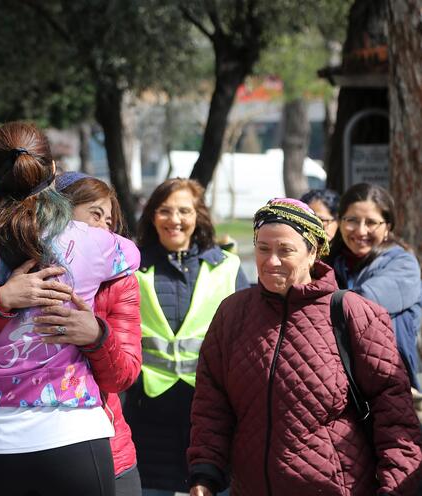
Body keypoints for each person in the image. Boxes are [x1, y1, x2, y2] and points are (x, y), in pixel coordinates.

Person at [0, 122, 140, 496]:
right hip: (75, 434)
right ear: (54, 172)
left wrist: (0, 299)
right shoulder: (99, 243)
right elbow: (132, 256)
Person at [188, 198, 422, 496]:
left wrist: (394, 489)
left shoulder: (353, 314)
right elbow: (212, 404)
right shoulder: (232, 314)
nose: (271, 261)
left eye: (285, 250)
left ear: (313, 252)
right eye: (263, 249)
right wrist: (205, 473)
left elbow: (395, 416)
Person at [123, 178, 248, 496]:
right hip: (148, 415)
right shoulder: (130, 268)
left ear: (198, 216)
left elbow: (249, 340)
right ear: (152, 216)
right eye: (165, 210)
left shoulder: (228, 267)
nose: (175, 220)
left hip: (211, 414)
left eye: (184, 211)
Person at [49, 171, 142, 495]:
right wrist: (0, 302)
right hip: (32, 449)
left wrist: (97, 337)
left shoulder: (119, 282)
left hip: (109, 450)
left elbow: (124, 375)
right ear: (58, 213)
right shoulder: (17, 273)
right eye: (95, 214)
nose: (104, 226)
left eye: (109, 219)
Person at [326, 182, 422, 390]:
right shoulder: (327, 262)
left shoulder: (404, 264)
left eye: (371, 222)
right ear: (340, 222)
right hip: (334, 381)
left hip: (389, 385)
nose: (361, 231)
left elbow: (360, 304)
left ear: (387, 227)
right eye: (352, 220)